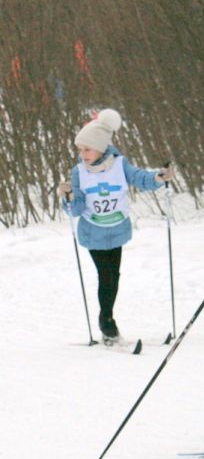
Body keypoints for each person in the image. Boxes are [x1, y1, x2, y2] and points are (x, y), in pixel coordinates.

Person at [58, 109, 172, 345]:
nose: (82, 154)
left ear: (100, 147)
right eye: (80, 149)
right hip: (93, 232)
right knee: (106, 275)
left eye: (87, 149)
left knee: (114, 275)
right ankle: (107, 322)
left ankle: (107, 321)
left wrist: (159, 178)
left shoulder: (120, 164)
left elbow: (140, 178)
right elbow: (76, 209)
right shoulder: (78, 172)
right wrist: (67, 195)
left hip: (117, 229)